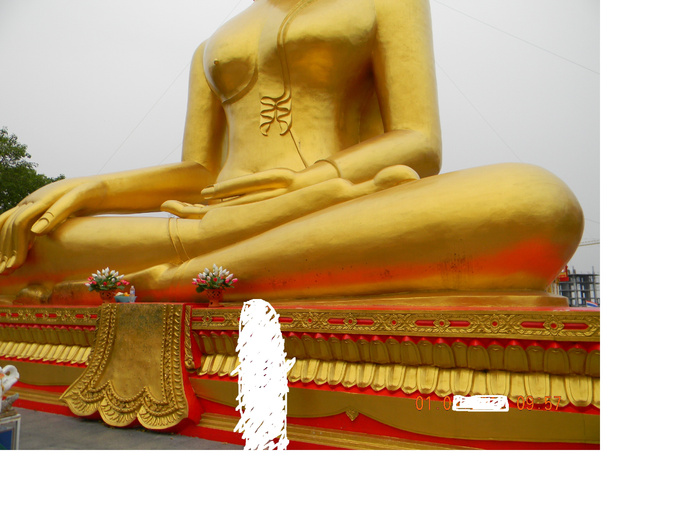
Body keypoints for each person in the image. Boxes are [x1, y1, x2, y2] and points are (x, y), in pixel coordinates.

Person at [0, 0, 583, 306]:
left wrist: (309, 186)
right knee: (25, 240)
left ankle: (166, 280)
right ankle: (201, 269)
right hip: (211, 219)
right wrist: (93, 190)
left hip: (331, 207)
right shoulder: (212, 44)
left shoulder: (385, 2)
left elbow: (418, 142)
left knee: (534, 201)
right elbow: (201, 172)